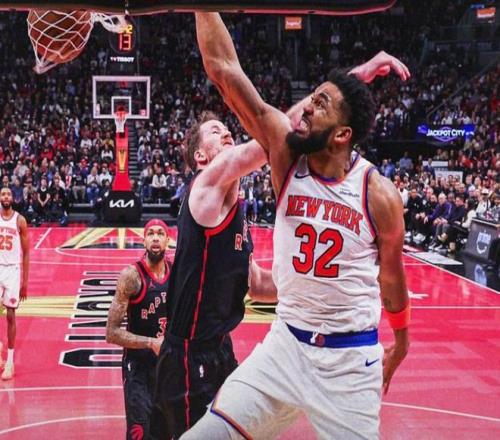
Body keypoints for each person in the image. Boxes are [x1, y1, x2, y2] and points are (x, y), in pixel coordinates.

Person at [182, 13, 411, 439]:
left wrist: (402, 340)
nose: (306, 107)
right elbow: (224, 72)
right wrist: (202, 7)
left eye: (319, 104)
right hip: (285, 347)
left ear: (341, 135)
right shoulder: (286, 156)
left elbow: (393, 279)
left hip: (348, 362)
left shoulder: (378, 194)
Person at [149, 112, 278, 440]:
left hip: (220, 348)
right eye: (215, 132)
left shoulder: (238, 214)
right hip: (188, 356)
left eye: (227, 129)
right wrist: (307, 119)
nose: (226, 134)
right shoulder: (203, 189)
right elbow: (264, 145)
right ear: (200, 157)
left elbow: (258, 284)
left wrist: (313, 282)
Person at [106, 219, 171, 440]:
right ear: (143, 241)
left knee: (165, 433)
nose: (155, 238)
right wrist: (150, 343)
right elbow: (111, 332)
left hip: (168, 365)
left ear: (167, 241)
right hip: (138, 366)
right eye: (150, 233)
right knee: (140, 432)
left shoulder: (177, 273)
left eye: (160, 233)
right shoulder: (131, 277)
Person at [0, 187, 29, 380]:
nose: (6, 197)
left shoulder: (20, 220)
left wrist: (24, 282)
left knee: (10, 315)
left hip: (12, 270)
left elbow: (26, 253)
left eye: (8, 194)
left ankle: (10, 361)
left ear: (13, 198)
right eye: (3, 194)